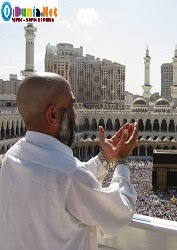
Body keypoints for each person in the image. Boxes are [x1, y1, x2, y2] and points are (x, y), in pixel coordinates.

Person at [0, 72, 138, 250]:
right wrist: (121, 160)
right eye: (72, 106)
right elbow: (120, 212)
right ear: (53, 115)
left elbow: (58, 185)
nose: (76, 115)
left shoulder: (12, 157)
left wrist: (104, 159)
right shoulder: (69, 175)